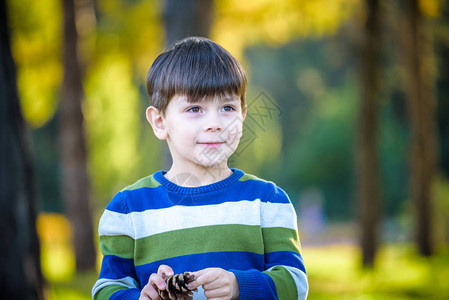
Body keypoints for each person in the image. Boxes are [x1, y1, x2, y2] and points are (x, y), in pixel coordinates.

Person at [92, 36, 308, 300]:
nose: (215, 123)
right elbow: (106, 289)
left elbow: (296, 285)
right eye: (195, 109)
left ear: (242, 115)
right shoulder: (128, 209)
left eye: (227, 107)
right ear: (159, 122)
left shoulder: (268, 201)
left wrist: (240, 285)